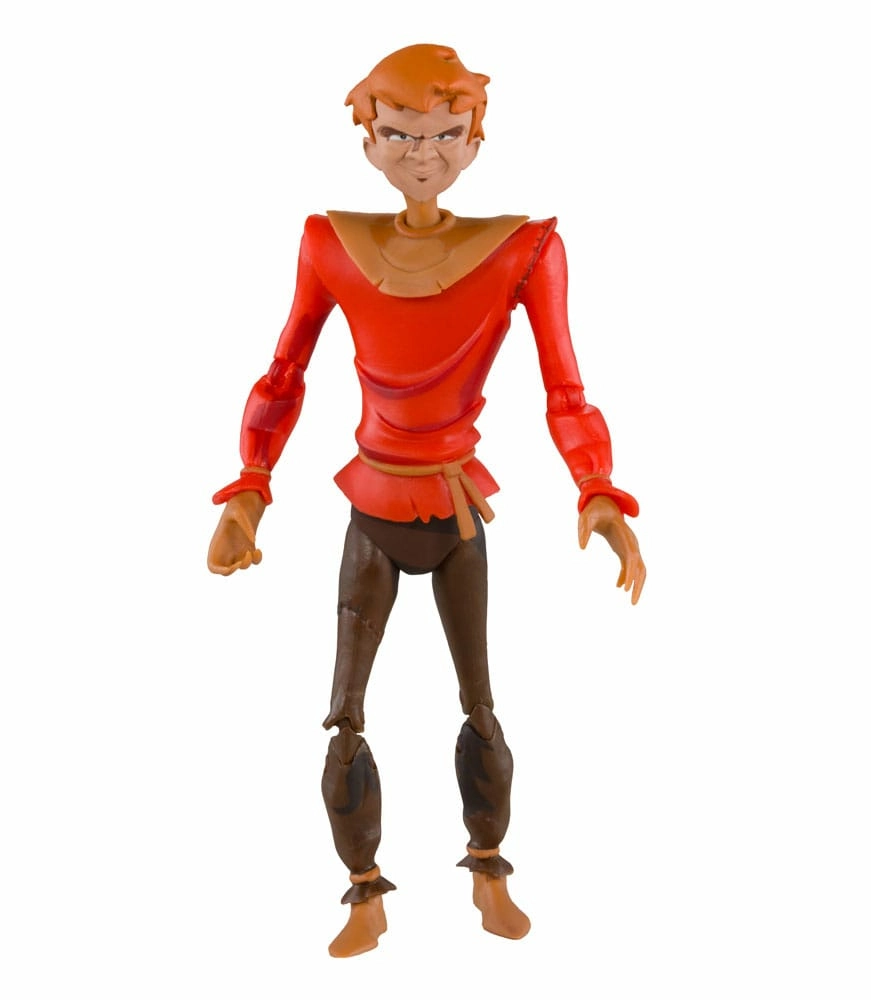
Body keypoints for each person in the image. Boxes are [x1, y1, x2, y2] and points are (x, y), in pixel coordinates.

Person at [207, 43, 646, 957]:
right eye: (402, 134)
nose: (423, 154)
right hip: (372, 508)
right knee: (344, 712)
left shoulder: (523, 251)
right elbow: (284, 373)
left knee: (480, 703)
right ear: (368, 139)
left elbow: (565, 388)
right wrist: (250, 488)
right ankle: (364, 892)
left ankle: (489, 871)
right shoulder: (331, 244)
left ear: (475, 142)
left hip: (455, 514)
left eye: (445, 134)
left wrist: (596, 488)